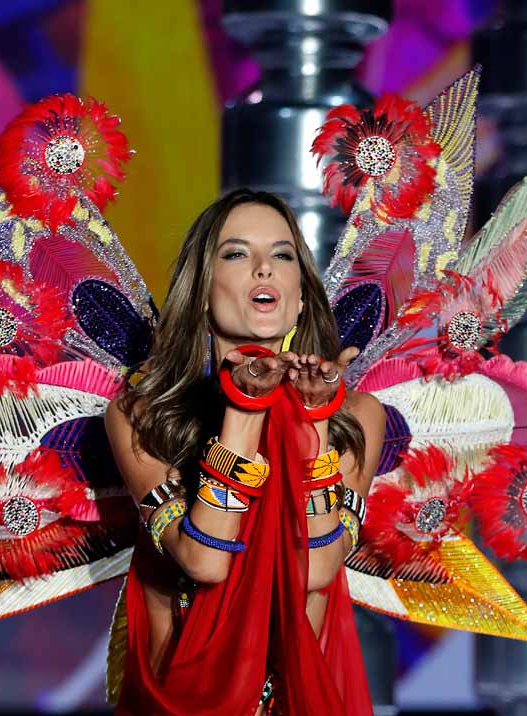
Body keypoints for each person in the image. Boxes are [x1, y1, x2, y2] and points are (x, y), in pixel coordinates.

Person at [106, 188, 385, 715]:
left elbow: (318, 570)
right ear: (202, 289)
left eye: (282, 256)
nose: (264, 269)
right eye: (236, 254)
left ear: (301, 295)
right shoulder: (143, 414)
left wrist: (314, 424)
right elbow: (206, 561)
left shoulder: (355, 416)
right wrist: (245, 406)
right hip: (181, 700)